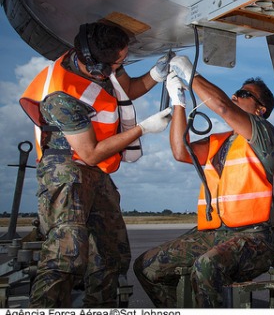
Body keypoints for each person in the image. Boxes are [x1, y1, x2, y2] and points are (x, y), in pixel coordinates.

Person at [19, 22, 173, 308]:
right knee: (66, 254)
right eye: (119, 63)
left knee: (112, 252)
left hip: (95, 169)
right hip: (66, 168)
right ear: (96, 64)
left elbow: (128, 89)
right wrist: (142, 129)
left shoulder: (103, 62)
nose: (121, 66)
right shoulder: (61, 96)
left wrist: (155, 75)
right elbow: (89, 153)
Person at [133, 55, 274, 308]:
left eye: (243, 93)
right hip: (217, 234)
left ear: (260, 109)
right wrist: (178, 103)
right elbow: (180, 151)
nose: (235, 96)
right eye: (236, 92)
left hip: (256, 239)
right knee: (147, 267)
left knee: (207, 266)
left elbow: (223, 107)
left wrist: (190, 73)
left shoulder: (263, 134)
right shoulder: (220, 142)